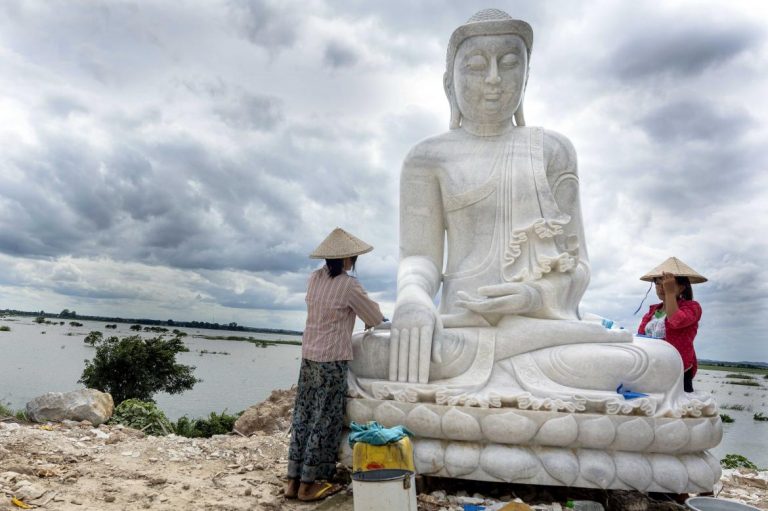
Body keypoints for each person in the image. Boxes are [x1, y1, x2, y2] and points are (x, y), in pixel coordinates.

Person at [285, 227, 384, 502]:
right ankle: (308, 485)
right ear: (348, 259)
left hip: (309, 357)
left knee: (303, 415)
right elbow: (374, 317)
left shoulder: (314, 278)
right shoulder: (349, 285)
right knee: (324, 419)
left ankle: (292, 481)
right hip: (331, 360)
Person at [638, 256, 707, 392]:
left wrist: (670, 293)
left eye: (667, 283)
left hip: (678, 367)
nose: (661, 287)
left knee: (679, 408)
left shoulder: (692, 307)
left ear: (681, 287)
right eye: (658, 283)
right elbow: (640, 337)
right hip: (653, 366)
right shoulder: (652, 312)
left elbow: (676, 321)